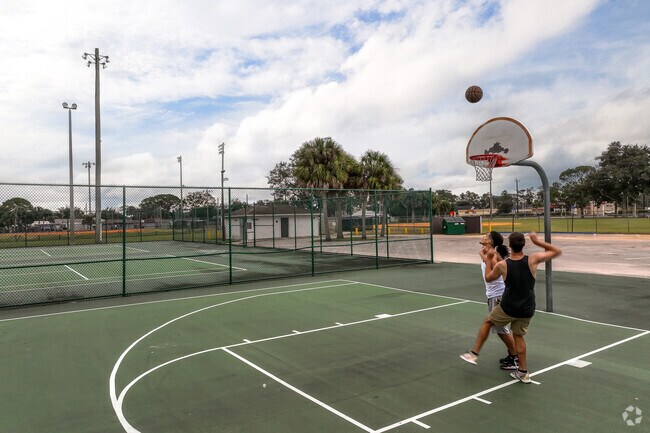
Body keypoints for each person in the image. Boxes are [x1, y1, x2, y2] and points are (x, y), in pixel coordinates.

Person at [460, 232, 562, 383]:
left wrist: (488, 260)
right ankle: (522, 371)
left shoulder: (503, 265)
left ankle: (473, 353)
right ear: (524, 244)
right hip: (527, 307)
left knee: (488, 322)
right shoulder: (532, 260)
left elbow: (488, 278)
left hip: (509, 306)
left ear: (509, 245)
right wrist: (537, 241)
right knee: (518, 336)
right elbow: (556, 251)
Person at [478, 231, 518, 370]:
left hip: (498, 295)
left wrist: (485, 257)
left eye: (486, 236)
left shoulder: (493, 255)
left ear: (490, 241)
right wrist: (482, 254)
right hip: (494, 295)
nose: (483, 236)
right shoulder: (490, 253)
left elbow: (495, 273)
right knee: (500, 329)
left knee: (501, 328)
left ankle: (515, 358)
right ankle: (513, 355)